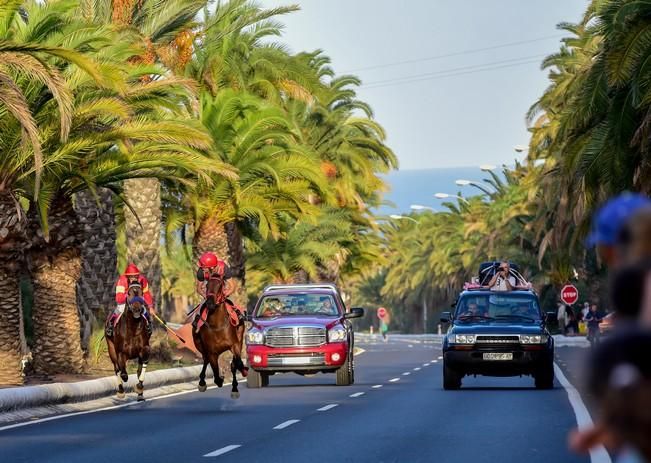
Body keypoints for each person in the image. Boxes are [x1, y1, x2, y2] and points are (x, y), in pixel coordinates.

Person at [106, 263, 154, 337]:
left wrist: (150, 307)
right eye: (131, 277)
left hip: (137, 300)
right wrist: (128, 295)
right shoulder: (122, 280)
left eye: (136, 276)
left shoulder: (142, 279)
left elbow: (146, 293)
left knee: (144, 310)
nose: (134, 278)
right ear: (127, 276)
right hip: (124, 301)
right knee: (120, 309)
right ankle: (110, 326)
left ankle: (148, 326)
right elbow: (119, 298)